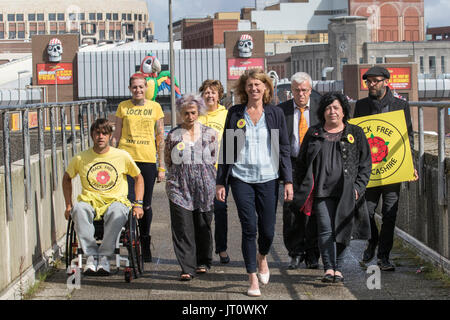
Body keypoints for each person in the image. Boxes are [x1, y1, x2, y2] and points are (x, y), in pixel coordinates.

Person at [216, 68, 293, 297]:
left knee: (268, 231)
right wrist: (221, 182)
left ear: (266, 88)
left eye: (258, 84)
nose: (254, 88)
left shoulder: (275, 113)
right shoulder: (236, 113)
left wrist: (287, 180)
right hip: (241, 178)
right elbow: (228, 149)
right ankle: (252, 278)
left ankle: (262, 257)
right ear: (244, 88)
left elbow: (284, 149)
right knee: (249, 228)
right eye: (250, 85)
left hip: (268, 178)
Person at [291, 92, 372, 283]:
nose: (332, 111)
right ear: (322, 111)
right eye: (328, 108)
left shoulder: (355, 133)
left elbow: (365, 164)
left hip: (347, 192)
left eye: (336, 107)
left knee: (343, 230)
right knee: (325, 229)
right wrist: (301, 187)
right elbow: (301, 164)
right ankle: (328, 268)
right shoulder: (314, 133)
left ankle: (339, 268)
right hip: (320, 191)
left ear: (343, 111)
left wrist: (358, 188)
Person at [354, 66, 418, 271]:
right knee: (367, 211)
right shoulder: (361, 106)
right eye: (368, 81)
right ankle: (372, 240)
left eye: (375, 81)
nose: (371, 85)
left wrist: (411, 165)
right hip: (369, 172)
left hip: (393, 170)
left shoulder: (400, 105)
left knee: (390, 214)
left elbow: (407, 137)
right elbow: (357, 137)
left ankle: (384, 256)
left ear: (386, 82)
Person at [62, 118, 144, 276]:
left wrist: (138, 203)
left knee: (118, 212)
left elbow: (138, 178)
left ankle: (105, 256)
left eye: (104, 133)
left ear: (110, 136)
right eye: (97, 133)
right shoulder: (80, 158)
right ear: (92, 135)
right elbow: (67, 178)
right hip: (90, 200)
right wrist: (68, 205)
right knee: (78, 210)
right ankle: (92, 256)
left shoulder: (122, 156)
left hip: (116, 200)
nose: (101, 136)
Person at [112, 72, 165, 262]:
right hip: (126, 160)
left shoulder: (156, 107)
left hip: (147, 160)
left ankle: (144, 240)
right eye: (134, 87)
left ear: (146, 88)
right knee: (128, 201)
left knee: (145, 204)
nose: (138, 90)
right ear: (129, 89)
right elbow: (116, 134)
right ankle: (129, 238)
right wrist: (110, 155)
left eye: (141, 86)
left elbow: (160, 137)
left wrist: (161, 166)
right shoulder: (122, 107)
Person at [164, 94, 218, 281]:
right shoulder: (173, 135)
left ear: (199, 112)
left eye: (193, 112)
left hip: (205, 186)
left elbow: (213, 158)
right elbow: (168, 160)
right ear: (180, 114)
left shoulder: (210, 134)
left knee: (203, 224)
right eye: (186, 113)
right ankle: (187, 266)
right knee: (182, 226)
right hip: (179, 187)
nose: (190, 116)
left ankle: (203, 261)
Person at [277, 72, 321, 270]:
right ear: (291, 91)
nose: (301, 94)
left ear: (310, 90)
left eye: (304, 90)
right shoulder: (281, 111)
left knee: (315, 211)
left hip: (316, 166)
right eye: (297, 90)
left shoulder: (321, 109)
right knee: (291, 209)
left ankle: (313, 254)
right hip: (291, 165)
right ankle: (295, 252)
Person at [198, 79, 230, 264]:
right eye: (206, 92)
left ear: (219, 96)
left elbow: (234, 142)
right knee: (202, 212)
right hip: (200, 170)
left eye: (213, 92)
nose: (210, 95)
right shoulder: (197, 114)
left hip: (219, 171)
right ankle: (204, 251)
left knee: (220, 210)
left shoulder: (226, 115)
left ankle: (222, 248)